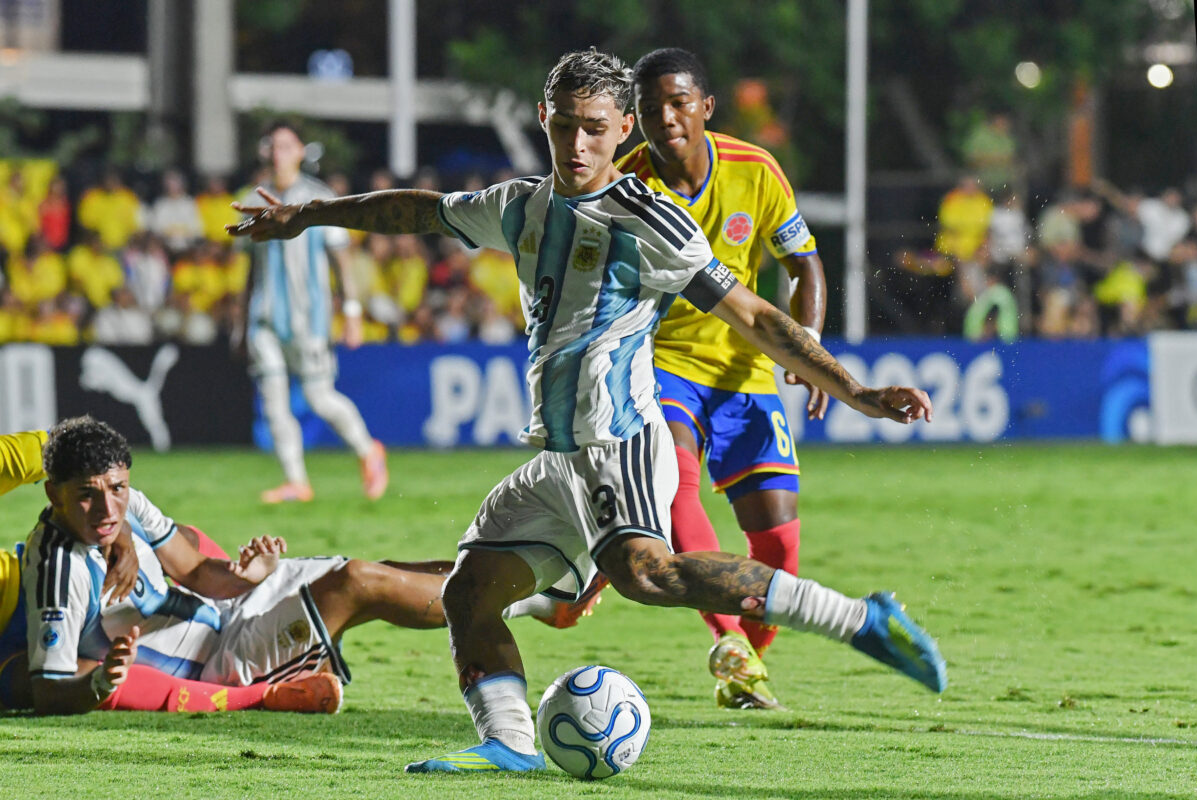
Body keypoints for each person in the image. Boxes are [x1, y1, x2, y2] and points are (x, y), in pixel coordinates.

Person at [228, 48, 945, 774]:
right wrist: (309, 216)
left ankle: (859, 619)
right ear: (544, 119)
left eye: (596, 129)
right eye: (565, 125)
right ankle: (509, 743)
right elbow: (420, 211)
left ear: (621, 127)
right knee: (469, 591)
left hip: (621, 441)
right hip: (559, 457)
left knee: (648, 573)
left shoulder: (648, 220)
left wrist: (858, 391)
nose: (578, 145)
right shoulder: (519, 206)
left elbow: (754, 315)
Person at [598, 47, 829, 709]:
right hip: (661, 364)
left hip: (745, 370)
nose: (664, 118)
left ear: (706, 106)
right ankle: (727, 641)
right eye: (649, 109)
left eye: (677, 102)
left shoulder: (755, 171)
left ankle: (746, 665)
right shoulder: (626, 185)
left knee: (779, 545)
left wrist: (805, 348)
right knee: (675, 492)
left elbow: (804, 266)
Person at [18, 416, 455, 715]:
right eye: (86, 495)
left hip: (231, 613)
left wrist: (247, 576)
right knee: (359, 584)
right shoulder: (59, 571)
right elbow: (47, 688)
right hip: (220, 661)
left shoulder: (125, 503)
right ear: (53, 494)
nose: (107, 508)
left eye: (117, 488)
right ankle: (496, 595)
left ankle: (505, 572)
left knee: (379, 569)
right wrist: (99, 682)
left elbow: (196, 572)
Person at [236, 119, 388, 504]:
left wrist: (352, 312)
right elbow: (251, 269)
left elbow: (342, 259)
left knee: (320, 397)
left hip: (310, 319)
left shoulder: (317, 199)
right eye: (272, 146)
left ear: (301, 151)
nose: (278, 153)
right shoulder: (252, 200)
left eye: (286, 146)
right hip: (264, 317)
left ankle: (368, 449)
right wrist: (240, 322)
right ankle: (296, 481)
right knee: (273, 401)